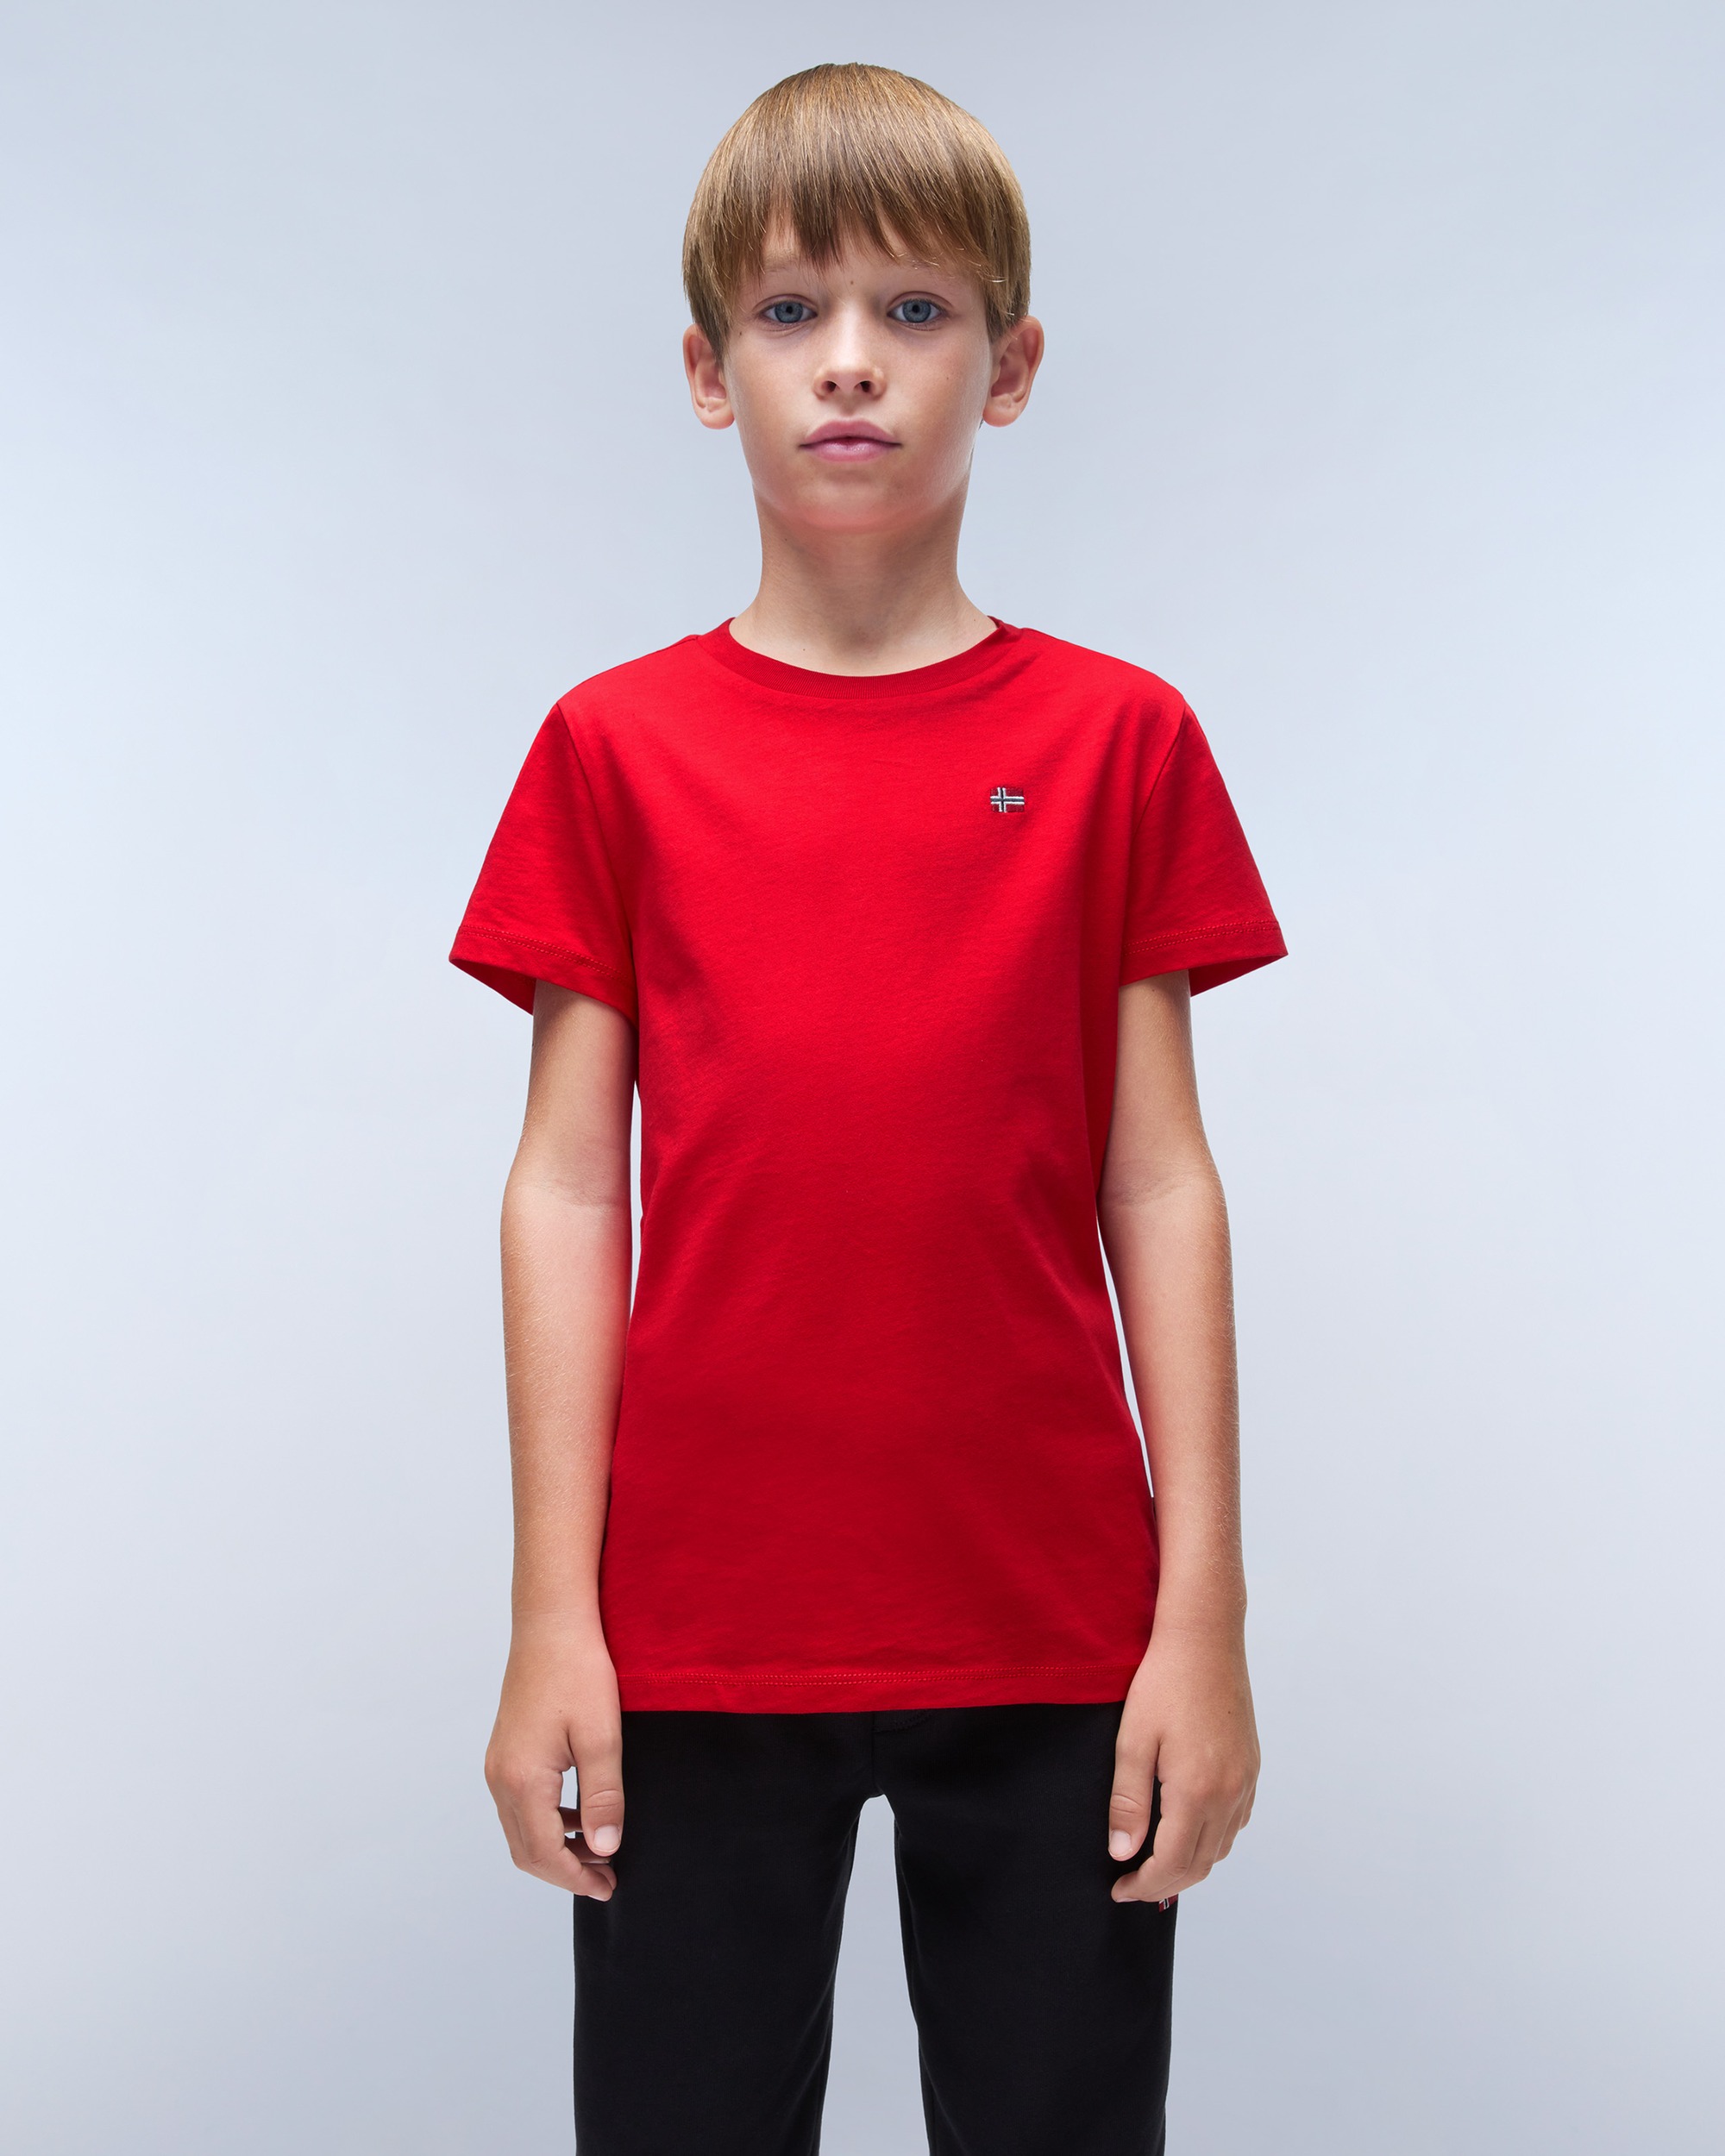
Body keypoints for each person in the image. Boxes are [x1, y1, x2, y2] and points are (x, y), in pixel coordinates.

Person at [449, 60, 1285, 2156]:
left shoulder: (1116, 740)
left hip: (1054, 1618)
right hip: (699, 1629)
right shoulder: (613, 749)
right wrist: (554, 1615)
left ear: (1009, 366)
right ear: (705, 368)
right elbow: (567, 1190)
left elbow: (1159, 1180)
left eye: (914, 311)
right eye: (790, 309)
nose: (849, 361)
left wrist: (1201, 1617)